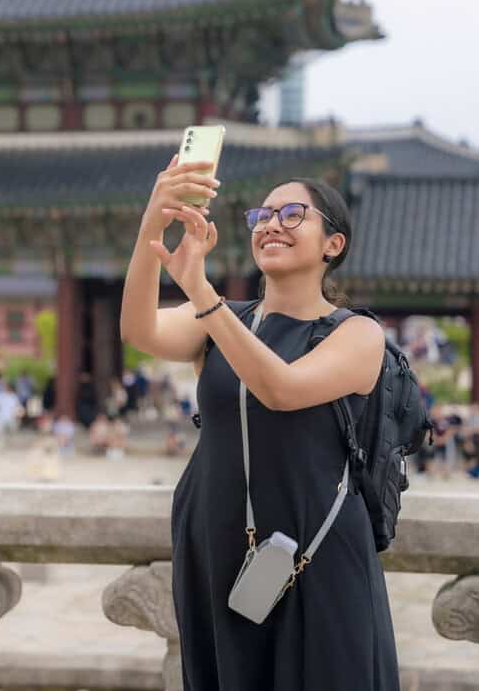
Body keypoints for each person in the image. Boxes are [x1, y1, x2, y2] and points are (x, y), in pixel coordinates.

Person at [120, 160, 397, 688]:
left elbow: (281, 389)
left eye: (293, 215)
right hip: (215, 539)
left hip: (314, 551)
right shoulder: (226, 320)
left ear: (332, 244)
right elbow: (140, 328)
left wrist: (202, 293)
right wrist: (152, 226)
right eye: (262, 215)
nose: (271, 224)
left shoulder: (356, 334)